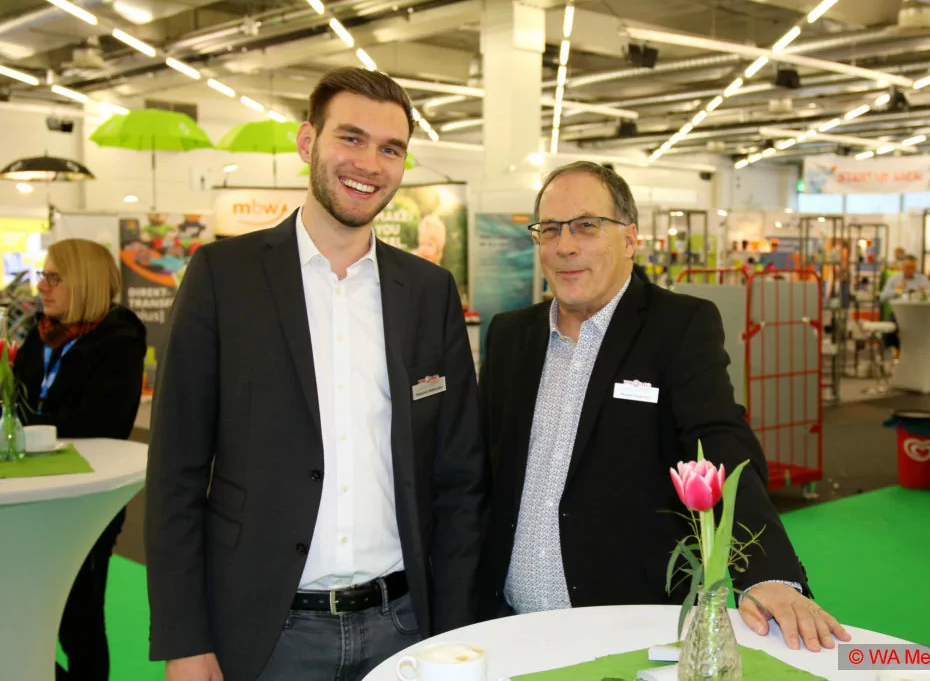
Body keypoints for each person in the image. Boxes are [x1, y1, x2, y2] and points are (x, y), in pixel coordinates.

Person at [145, 67, 486, 681]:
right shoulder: (224, 277)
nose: (370, 164)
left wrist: (455, 627)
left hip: (405, 624)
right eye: (350, 138)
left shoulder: (428, 291)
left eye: (391, 149)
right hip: (266, 631)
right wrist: (184, 639)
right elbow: (176, 473)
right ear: (308, 143)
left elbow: (460, 477)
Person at [477, 162, 850, 652]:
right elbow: (481, 466)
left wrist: (769, 573)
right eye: (549, 229)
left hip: (627, 628)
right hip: (507, 627)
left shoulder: (678, 327)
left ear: (630, 239)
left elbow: (721, 442)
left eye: (587, 226)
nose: (564, 245)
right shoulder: (510, 335)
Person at [13, 238, 146, 680]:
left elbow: (103, 420)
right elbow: (17, 400)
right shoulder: (42, 331)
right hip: (29, 489)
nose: (43, 288)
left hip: (82, 496)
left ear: (84, 282)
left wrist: (30, 424)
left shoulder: (119, 336)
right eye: (42, 276)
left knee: (80, 618)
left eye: (54, 278)